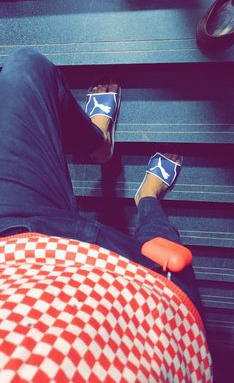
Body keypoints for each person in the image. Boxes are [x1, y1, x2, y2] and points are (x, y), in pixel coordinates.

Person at [0, 49, 212, 382]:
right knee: (162, 246)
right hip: (128, 293)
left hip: (10, 248)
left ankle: (99, 144)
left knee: (27, 70)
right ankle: (146, 196)